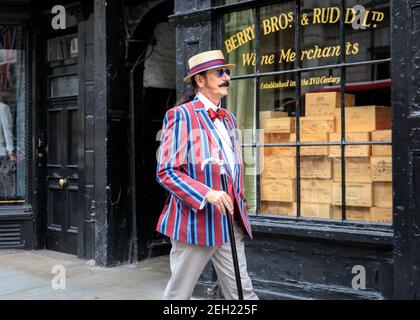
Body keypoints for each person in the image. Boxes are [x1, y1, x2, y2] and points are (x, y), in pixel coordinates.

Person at [155, 50, 258, 300]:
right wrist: (207, 193)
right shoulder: (180, 115)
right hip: (195, 224)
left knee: (242, 293)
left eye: (227, 72)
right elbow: (166, 171)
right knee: (179, 296)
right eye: (219, 73)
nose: (226, 77)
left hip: (229, 220)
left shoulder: (230, 119)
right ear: (200, 81)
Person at [0, 94, 16, 197]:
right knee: (6, 177)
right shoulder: (3, 108)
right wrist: (11, 151)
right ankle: (7, 198)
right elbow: (7, 129)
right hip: (2, 150)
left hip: (2, 151)